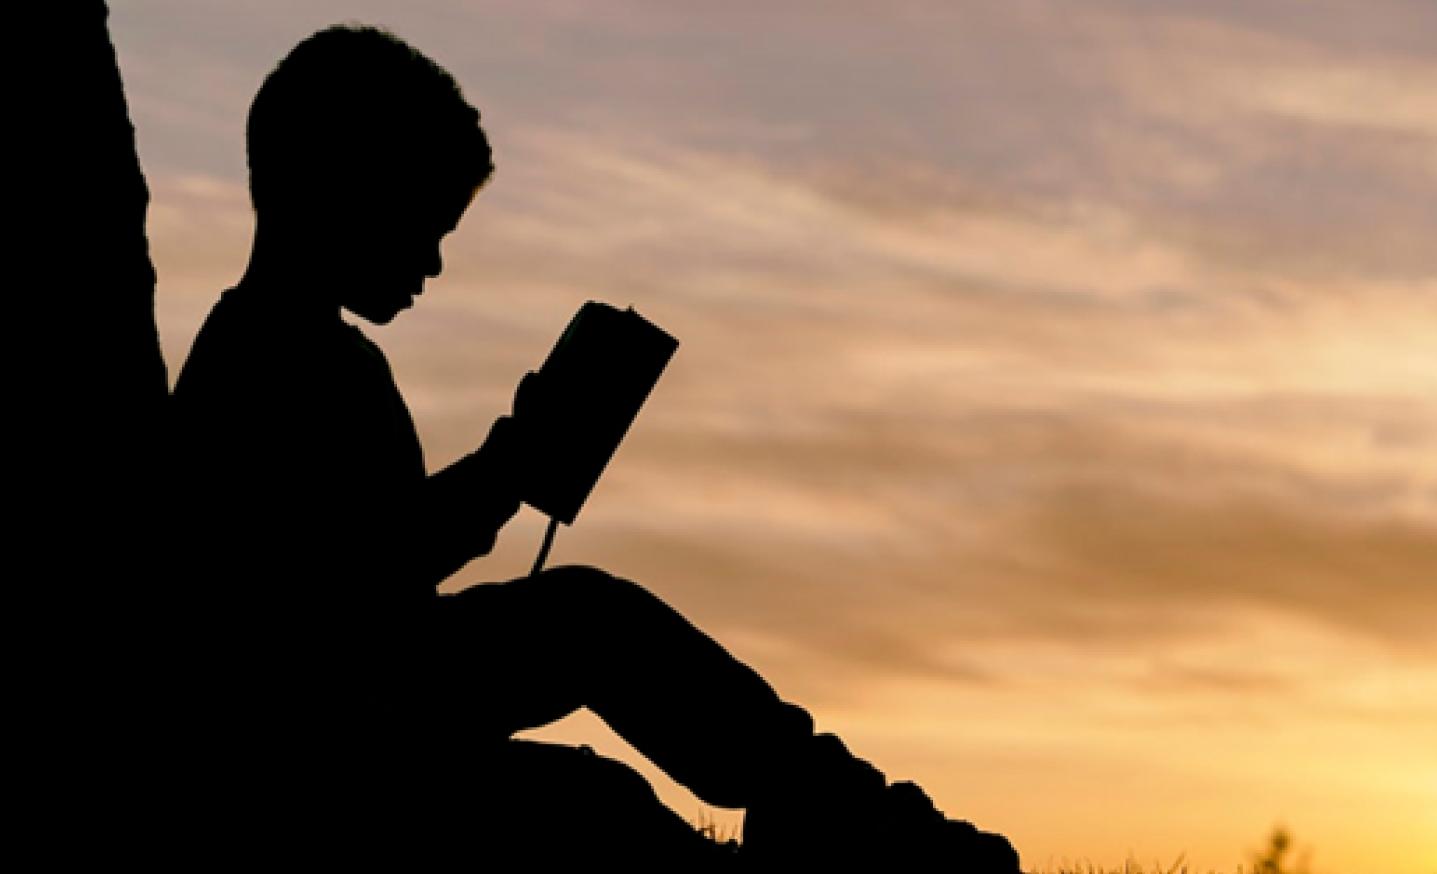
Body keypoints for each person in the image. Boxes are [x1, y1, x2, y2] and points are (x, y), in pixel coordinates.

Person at [169, 24, 1019, 872]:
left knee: (589, 622)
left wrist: (511, 462)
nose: (430, 263)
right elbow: (346, 589)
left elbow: (378, 560)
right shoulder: (261, 364)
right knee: (594, 793)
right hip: (322, 746)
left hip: (371, 697)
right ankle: (848, 827)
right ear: (339, 187)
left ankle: (834, 810)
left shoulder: (312, 353)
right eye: (420, 222)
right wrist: (510, 467)